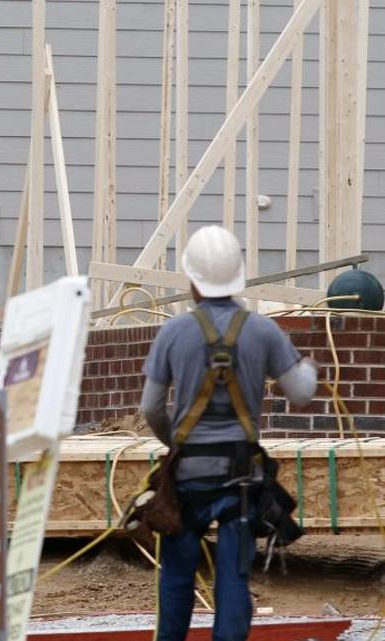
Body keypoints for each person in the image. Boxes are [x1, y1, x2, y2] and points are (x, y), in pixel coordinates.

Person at [140, 225, 317, 641]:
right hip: (240, 480)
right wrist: (308, 366)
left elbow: (150, 408)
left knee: (177, 577)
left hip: (187, 482)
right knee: (233, 580)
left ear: (192, 279)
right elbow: (302, 393)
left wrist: (176, 444)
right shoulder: (262, 331)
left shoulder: (173, 333)